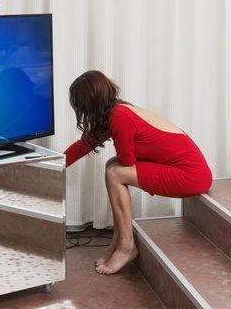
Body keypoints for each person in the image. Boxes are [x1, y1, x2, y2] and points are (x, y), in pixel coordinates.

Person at [64, 70, 213, 275]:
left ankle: (126, 246)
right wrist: (53, 165)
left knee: (115, 172)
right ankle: (119, 239)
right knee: (111, 166)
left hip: (191, 175)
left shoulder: (120, 116)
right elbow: (84, 145)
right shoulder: (117, 110)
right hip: (186, 170)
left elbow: (127, 161)